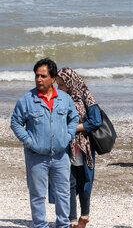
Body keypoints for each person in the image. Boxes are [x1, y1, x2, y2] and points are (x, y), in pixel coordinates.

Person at [10, 58, 79, 228]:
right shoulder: (26, 100)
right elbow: (15, 122)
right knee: (37, 195)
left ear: (53, 78)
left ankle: (63, 224)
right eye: (36, 76)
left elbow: (74, 118)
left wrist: (68, 135)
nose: (38, 79)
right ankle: (40, 225)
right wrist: (28, 141)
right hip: (36, 157)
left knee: (63, 193)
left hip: (60, 155)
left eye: (43, 76)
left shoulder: (64, 99)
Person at [55, 67, 102, 228]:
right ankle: (72, 220)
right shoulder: (60, 98)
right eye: (57, 85)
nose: (59, 88)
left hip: (83, 146)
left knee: (85, 181)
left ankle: (85, 215)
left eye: (61, 85)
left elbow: (96, 121)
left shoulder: (85, 95)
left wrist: (75, 128)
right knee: (69, 182)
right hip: (66, 145)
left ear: (70, 82)